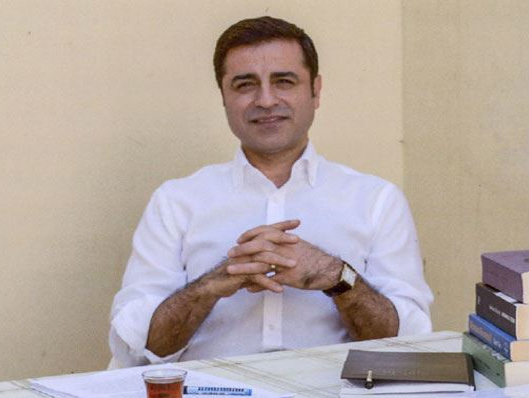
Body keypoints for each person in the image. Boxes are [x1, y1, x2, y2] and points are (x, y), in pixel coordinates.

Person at [108, 16, 432, 367]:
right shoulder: (175, 202)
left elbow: (409, 345)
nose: (265, 100)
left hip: (334, 393)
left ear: (316, 91)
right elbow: (137, 349)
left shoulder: (377, 201)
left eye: (284, 81)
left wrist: (336, 276)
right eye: (245, 85)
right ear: (224, 97)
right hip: (206, 393)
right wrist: (213, 283)